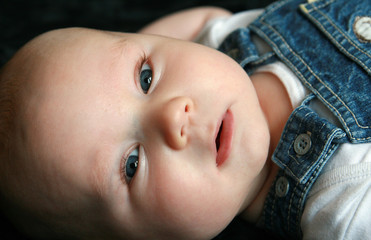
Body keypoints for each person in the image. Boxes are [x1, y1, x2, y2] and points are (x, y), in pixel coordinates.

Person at [0, 0, 370, 239]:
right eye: (132, 164)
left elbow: (206, 18)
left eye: (145, 78)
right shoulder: (343, 209)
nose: (173, 115)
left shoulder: (221, 39)